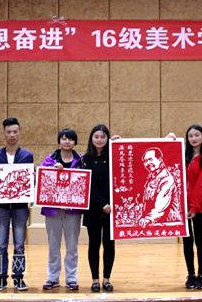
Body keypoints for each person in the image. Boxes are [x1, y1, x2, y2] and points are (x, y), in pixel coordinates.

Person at [0, 117, 34, 292]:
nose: (12, 135)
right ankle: (1, 278)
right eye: (9, 132)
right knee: (1, 245)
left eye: (15, 131)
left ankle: (18, 277)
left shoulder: (27, 155)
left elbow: (29, 180)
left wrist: (34, 177)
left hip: (20, 207)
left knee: (19, 245)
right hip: (1, 207)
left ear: (19, 132)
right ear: (4, 133)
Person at [168, 125, 202, 289]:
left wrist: (193, 207)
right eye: (191, 136)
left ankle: (201, 275)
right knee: (187, 241)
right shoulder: (183, 156)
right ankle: (191, 274)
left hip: (199, 207)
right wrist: (169, 140)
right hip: (182, 207)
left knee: (200, 241)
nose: (194, 138)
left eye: (197, 135)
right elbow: (166, 158)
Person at [40, 128, 83, 291]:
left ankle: (71, 278)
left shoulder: (81, 161)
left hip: (73, 211)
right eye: (64, 138)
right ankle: (52, 277)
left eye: (70, 139)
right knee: (53, 246)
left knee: (72, 247)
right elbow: (41, 178)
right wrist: (52, 169)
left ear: (75, 142)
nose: (67, 142)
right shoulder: (49, 160)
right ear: (59, 141)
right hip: (53, 211)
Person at [82, 124, 118, 293]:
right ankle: (95, 279)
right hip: (94, 209)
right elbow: (89, 185)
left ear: (107, 138)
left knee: (109, 245)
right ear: (91, 138)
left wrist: (120, 144)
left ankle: (107, 279)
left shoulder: (113, 155)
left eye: (103, 137)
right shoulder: (85, 159)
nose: (99, 140)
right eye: (96, 136)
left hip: (112, 209)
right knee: (94, 244)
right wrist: (102, 203)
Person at [138, 147, 182, 228]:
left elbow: (161, 203)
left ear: (160, 159)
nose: (148, 163)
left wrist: (149, 218)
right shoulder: (152, 177)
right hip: (153, 222)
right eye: (145, 161)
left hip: (169, 223)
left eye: (150, 159)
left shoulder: (167, 178)